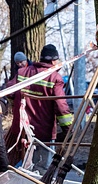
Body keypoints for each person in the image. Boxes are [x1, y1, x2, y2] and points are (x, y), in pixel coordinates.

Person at [9, 44, 73, 173]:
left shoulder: (22, 72)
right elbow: (61, 106)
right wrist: (68, 129)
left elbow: (9, 93)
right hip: (44, 132)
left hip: (23, 130)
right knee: (41, 170)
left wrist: (16, 108)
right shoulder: (55, 77)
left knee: (23, 164)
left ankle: (18, 182)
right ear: (54, 61)